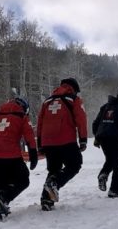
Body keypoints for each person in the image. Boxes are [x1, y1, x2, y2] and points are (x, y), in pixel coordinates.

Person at [36, 77, 88, 211]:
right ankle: (55, 184)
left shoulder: (47, 101)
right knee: (75, 164)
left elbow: (40, 122)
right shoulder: (74, 99)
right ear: (74, 89)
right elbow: (81, 119)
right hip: (66, 139)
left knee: (54, 170)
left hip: (48, 141)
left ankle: (46, 200)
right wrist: (83, 139)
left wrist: (40, 144)